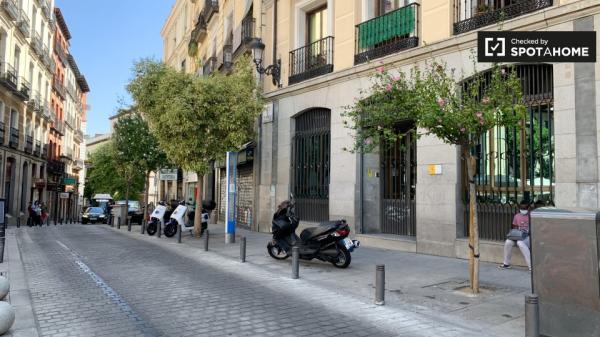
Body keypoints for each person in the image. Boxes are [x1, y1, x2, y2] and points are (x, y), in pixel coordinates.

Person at [499, 200, 531, 271]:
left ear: (528, 208)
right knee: (508, 242)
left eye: (524, 208)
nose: (523, 210)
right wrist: (517, 233)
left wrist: (526, 233)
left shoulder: (531, 216)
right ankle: (506, 264)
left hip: (528, 237)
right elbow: (514, 226)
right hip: (519, 235)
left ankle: (531, 266)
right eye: (521, 208)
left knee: (520, 243)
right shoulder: (517, 216)